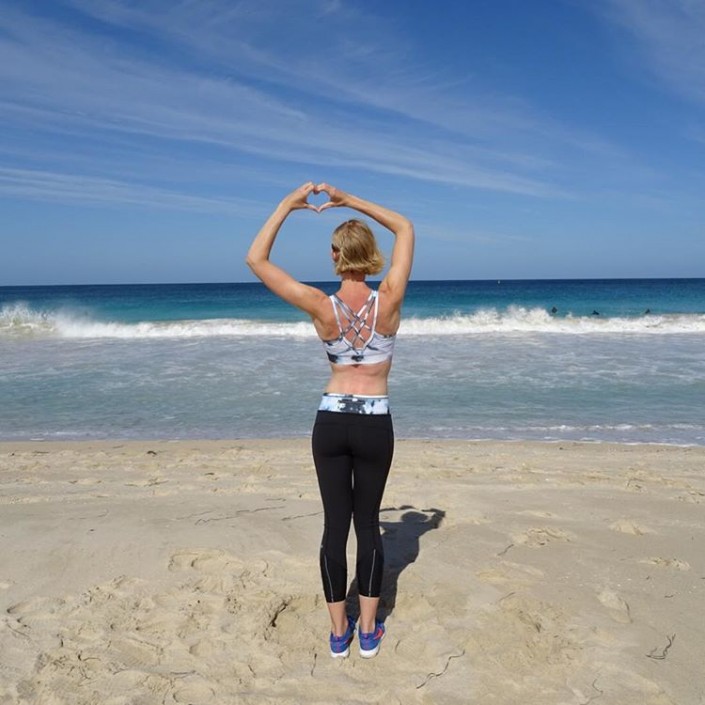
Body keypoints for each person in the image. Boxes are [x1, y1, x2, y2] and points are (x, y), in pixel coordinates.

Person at [246, 182, 414, 659]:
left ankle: (338, 633)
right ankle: (368, 630)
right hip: (374, 422)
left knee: (335, 526)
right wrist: (349, 199)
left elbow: (256, 260)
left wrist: (288, 205)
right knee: (368, 525)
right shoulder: (390, 298)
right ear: (372, 255)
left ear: (335, 256)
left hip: (332, 422)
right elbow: (405, 227)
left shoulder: (321, 306)